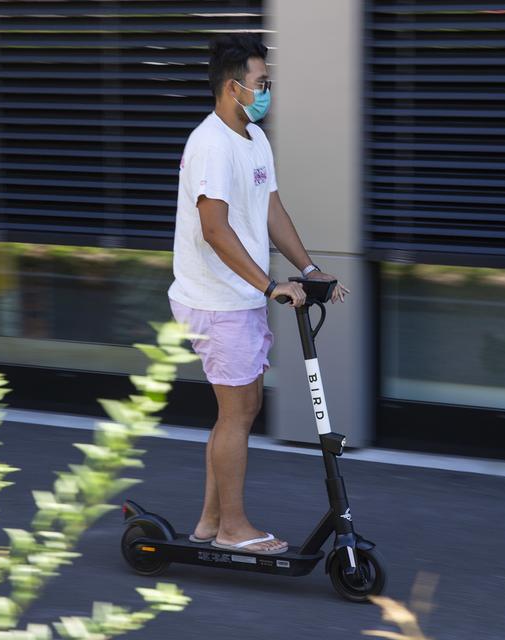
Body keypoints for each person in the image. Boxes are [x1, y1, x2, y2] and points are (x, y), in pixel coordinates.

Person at [167, 33, 349, 555]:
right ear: (233, 87)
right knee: (239, 411)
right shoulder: (211, 145)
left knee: (237, 412)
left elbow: (270, 209)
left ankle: (209, 522)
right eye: (261, 83)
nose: (267, 92)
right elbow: (215, 229)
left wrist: (308, 269)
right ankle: (232, 529)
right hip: (216, 301)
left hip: (238, 298)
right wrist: (271, 285)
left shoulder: (250, 138)